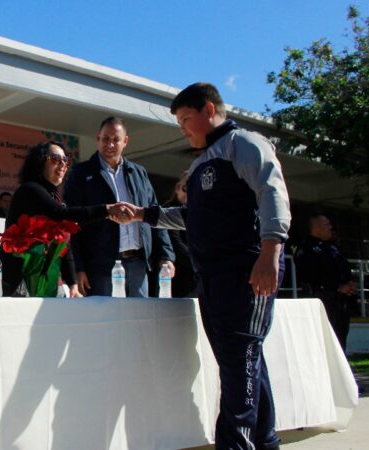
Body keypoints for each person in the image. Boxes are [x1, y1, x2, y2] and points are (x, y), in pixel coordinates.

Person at [130, 82, 291, 450]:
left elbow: (272, 192)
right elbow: (193, 217)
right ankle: (265, 441)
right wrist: (143, 214)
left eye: (186, 119)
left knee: (239, 365)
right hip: (213, 278)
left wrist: (270, 254)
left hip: (246, 272)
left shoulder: (244, 144)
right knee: (243, 362)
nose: (183, 128)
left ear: (207, 110)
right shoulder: (203, 161)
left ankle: (235, 445)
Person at [0, 141, 131, 297]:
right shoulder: (29, 190)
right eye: (55, 158)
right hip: (14, 280)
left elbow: (64, 247)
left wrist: (73, 285)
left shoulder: (56, 199)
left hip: (43, 281)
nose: (62, 164)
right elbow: (60, 214)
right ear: (40, 161)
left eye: (65, 160)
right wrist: (107, 210)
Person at [64, 116, 175, 297]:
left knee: (139, 320)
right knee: (107, 321)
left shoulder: (138, 172)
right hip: (100, 267)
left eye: (116, 140)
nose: (110, 144)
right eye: (105, 139)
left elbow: (155, 213)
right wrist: (78, 268)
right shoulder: (81, 174)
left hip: (138, 263)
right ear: (97, 138)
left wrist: (166, 255)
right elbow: (73, 223)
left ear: (125, 141)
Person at [294, 215, 357, 350]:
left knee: (340, 337)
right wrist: (337, 287)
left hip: (341, 301)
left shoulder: (332, 248)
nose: (330, 227)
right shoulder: (306, 249)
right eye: (327, 224)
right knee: (325, 339)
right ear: (316, 228)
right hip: (323, 300)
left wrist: (350, 283)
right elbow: (310, 276)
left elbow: (343, 267)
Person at [163, 170, 198, 298]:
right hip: (175, 276)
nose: (189, 193)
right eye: (186, 188)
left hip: (195, 276)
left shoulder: (199, 211)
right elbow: (175, 242)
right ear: (178, 188)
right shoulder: (167, 211)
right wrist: (198, 261)